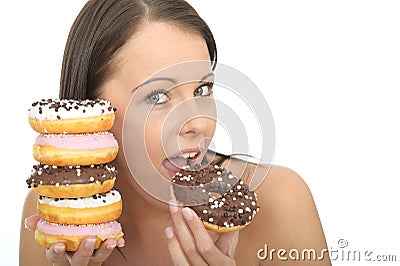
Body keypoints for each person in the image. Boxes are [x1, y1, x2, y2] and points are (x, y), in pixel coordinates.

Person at [20, 0, 331, 265]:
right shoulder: (52, 215)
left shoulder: (280, 201)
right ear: (91, 112)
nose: (198, 123)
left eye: (202, 89)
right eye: (157, 96)